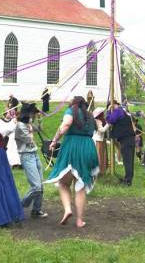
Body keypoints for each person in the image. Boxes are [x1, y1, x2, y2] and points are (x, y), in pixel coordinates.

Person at [46, 96, 99, 228]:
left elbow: (66, 124)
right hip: (88, 147)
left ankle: (68, 209)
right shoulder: (90, 116)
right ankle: (79, 220)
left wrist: (54, 140)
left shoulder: (71, 111)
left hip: (72, 147)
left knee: (63, 183)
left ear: (73, 104)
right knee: (80, 185)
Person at [14, 103, 48, 218]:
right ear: (27, 114)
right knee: (36, 187)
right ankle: (19, 205)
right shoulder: (20, 126)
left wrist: (39, 119)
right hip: (26, 156)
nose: (34, 115)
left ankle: (36, 210)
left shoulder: (28, 124)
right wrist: (31, 126)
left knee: (41, 186)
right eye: (33, 113)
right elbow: (29, 139)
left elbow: (40, 129)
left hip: (34, 154)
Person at [107, 100, 136, 186]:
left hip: (126, 139)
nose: (112, 107)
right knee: (129, 160)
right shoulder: (123, 111)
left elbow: (110, 120)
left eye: (112, 105)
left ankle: (127, 181)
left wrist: (109, 111)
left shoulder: (118, 111)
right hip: (129, 138)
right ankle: (128, 178)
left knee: (127, 160)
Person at [92, 107, 109, 176]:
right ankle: (97, 172)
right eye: (102, 113)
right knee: (99, 156)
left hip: (102, 140)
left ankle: (102, 171)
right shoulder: (97, 121)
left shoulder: (101, 120)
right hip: (98, 140)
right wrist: (108, 124)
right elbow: (101, 130)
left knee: (103, 156)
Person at [5, 96, 21, 168]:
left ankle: (16, 163)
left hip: (15, 138)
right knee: (12, 150)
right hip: (13, 138)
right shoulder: (13, 120)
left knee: (14, 150)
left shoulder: (15, 120)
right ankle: (14, 163)